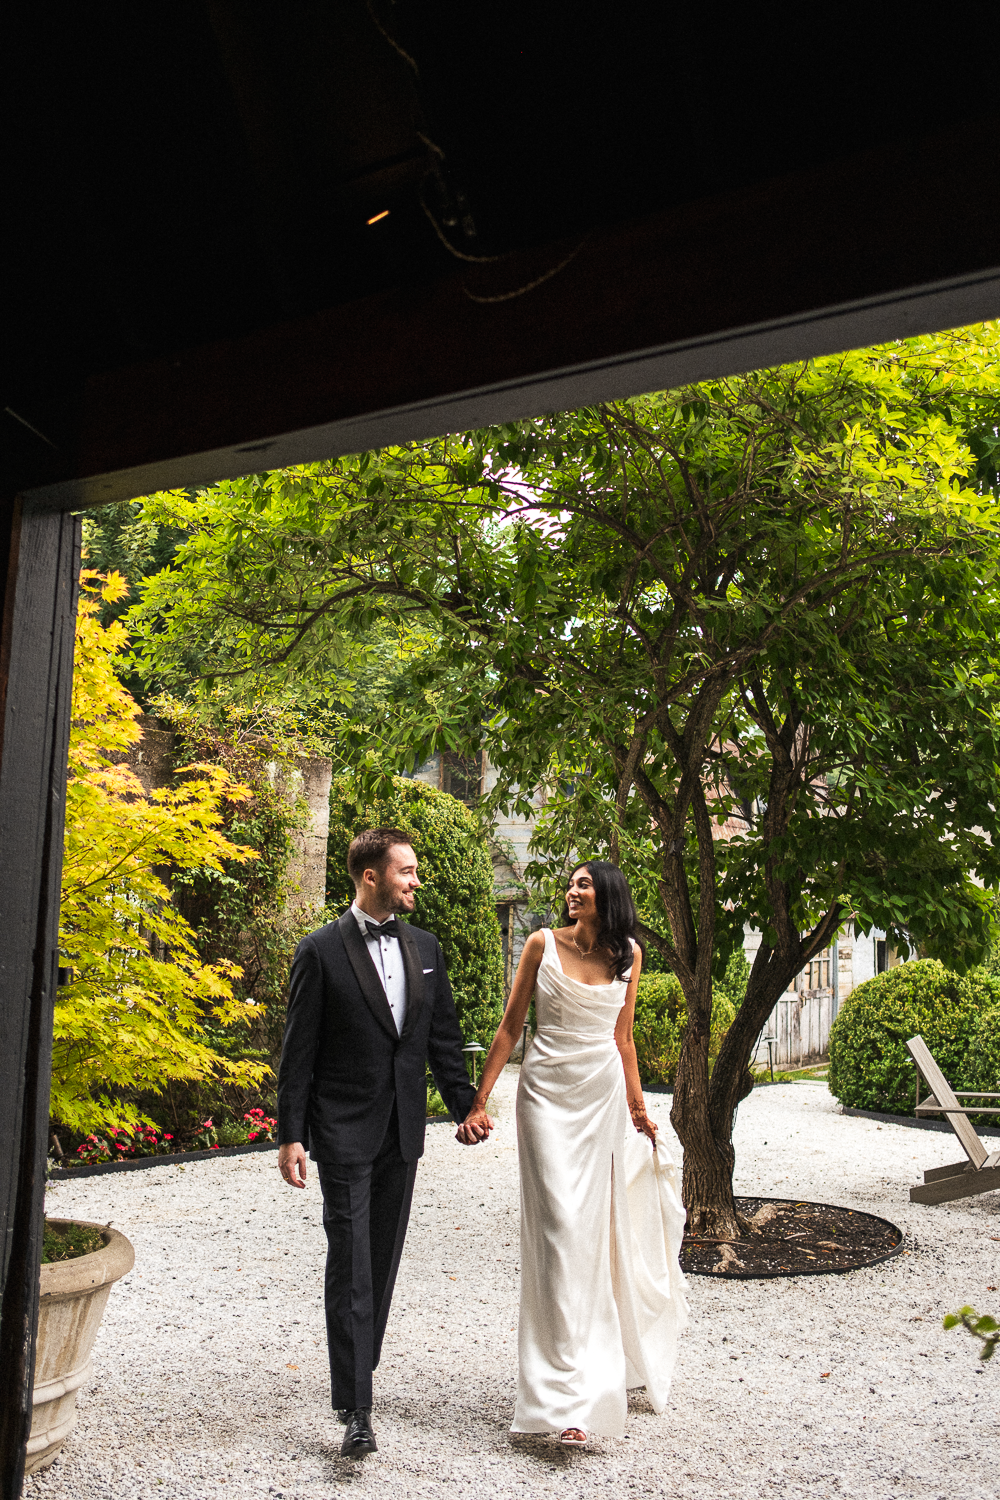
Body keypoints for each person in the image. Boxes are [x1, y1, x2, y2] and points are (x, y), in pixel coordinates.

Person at [277, 827, 493, 1458]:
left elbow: (441, 1039)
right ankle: (357, 1408)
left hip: (402, 1131)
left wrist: (465, 1107)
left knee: (381, 1261)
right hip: (341, 1130)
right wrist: (291, 1135)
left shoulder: (425, 947)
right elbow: (299, 1052)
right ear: (371, 876)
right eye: (407, 872)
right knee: (351, 1263)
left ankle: (355, 1375)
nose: (416, 881)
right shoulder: (319, 951)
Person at [457, 860, 688, 1445]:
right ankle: (556, 1394)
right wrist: (477, 1102)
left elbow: (624, 1039)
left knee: (591, 1242)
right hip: (545, 1100)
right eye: (571, 884)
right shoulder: (540, 944)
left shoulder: (629, 957)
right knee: (559, 1232)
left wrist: (639, 1113)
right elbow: (510, 1028)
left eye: (584, 884)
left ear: (607, 895)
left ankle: (585, 1389)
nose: (572, 891)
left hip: (601, 1100)